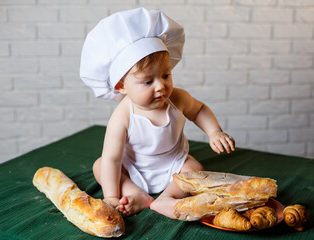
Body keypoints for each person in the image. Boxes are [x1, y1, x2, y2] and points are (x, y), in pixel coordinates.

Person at [80, 8, 235, 219]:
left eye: (165, 75)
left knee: (195, 168)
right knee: (100, 165)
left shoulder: (177, 99)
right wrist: (111, 197)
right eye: (147, 81)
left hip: (173, 164)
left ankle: (167, 197)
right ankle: (134, 193)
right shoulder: (123, 115)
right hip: (134, 168)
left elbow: (198, 110)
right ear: (121, 85)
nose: (160, 86)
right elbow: (112, 158)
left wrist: (214, 131)